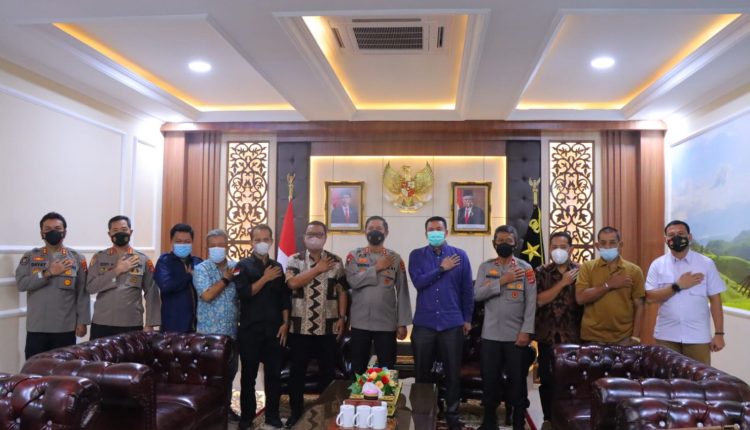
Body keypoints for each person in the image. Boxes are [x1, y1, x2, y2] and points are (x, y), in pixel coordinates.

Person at [408, 216, 474, 430]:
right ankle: (424, 411)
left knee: (453, 372)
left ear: (446, 232)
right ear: (426, 233)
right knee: (422, 372)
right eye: (431, 229)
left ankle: (452, 414)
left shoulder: (460, 256)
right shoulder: (417, 255)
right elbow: (418, 282)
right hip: (424, 323)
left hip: (452, 322)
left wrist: (467, 319)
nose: (435, 232)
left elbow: (467, 290)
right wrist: (441, 268)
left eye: (438, 229)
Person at [285, 221, 348, 428]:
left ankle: (326, 413)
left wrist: (342, 318)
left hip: (327, 327)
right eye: (310, 234)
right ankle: (296, 413)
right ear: (304, 237)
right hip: (299, 327)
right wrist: (318, 269)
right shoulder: (294, 259)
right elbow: (292, 283)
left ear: (325, 237)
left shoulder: (336, 261)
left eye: (319, 234)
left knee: (327, 373)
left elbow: (342, 291)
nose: (314, 237)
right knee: (297, 373)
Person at [475, 225, 536, 430]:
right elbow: (477, 295)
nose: (503, 244)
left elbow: (531, 303)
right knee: (490, 382)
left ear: (515, 243)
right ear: (494, 243)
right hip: (490, 336)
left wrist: (526, 331)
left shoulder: (525, 268)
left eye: (508, 241)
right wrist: (503, 280)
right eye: (500, 241)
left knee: (517, 383)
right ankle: (489, 422)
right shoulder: (485, 267)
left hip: (516, 336)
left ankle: (518, 423)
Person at [232, 224, 290, 430]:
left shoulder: (278, 267)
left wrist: (286, 323)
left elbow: (284, 298)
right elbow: (245, 293)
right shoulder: (242, 266)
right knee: (249, 376)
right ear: (252, 242)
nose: (262, 243)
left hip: (275, 330)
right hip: (250, 330)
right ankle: (247, 416)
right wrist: (265, 278)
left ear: (272, 241)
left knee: (274, 375)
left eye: (266, 239)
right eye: (257, 240)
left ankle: (272, 416)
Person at [644, 220, 726, 364]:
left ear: (689, 237)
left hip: (698, 337)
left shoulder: (706, 263)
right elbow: (650, 297)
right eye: (671, 235)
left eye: (681, 234)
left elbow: (715, 300)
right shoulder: (657, 265)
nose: (676, 238)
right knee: (666, 376)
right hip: (666, 335)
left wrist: (719, 334)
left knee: (699, 377)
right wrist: (678, 286)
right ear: (666, 239)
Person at [15, 212, 90, 359]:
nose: (52, 232)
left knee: (63, 369)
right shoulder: (30, 256)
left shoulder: (76, 258)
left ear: (64, 232)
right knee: (35, 368)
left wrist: (82, 322)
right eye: (48, 229)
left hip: (65, 328)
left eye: (57, 228)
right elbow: (21, 284)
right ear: (42, 233)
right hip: (37, 327)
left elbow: (82, 292)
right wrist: (47, 272)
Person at [345, 216, 413, 374]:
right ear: (365, 232)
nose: (374, 232)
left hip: (386, 323)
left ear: (386, 232)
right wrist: (377, 268)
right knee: (357, 369)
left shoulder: (395, 258)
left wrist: (402, 323)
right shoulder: (354, 256)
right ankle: (358, 392)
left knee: (387, 369)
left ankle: (385, 392)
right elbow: (352, 281)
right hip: (360, 322)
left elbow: (402, 292)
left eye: (379, 229)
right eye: (371, 228)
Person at [534, 231, 582, 430]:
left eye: (563, 247)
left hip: (574, 336)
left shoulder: (582, 271)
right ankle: (549, 419)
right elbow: (539, 300)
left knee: (571, 381)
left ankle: (569, 420)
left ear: (571, 249)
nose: (558, 251)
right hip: (547, 335)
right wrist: (563, 283)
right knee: (547, 380)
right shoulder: (541, 272)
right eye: (554, 247)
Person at [193, 228, 241, 422]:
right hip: (208, 334)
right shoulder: (201, 269)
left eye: (221, 245)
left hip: (232, 332)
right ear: (207, 247)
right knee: (209, 375)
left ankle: (225, 408)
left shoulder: (236, 267)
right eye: (213, 246)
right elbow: (207, 295)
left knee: (229, 374)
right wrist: (226, 279)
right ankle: (207, 412)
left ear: (227, 246)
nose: (217, 248)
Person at [87, 215, 160, 339]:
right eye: (115, 230)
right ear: (109, 234)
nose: (120, 233)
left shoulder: (143, 260)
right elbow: (91, 287)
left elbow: (152, 293)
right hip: (102, 322)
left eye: (124, 229)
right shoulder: (99, 258)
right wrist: (117, 271)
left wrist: (150, 324)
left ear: (130, 232)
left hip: (131, 323)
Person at [576, 226, 645, 345]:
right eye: (603, 243)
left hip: (623, 338)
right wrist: (609, 284)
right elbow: (580, 298)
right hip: (592, 337)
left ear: (620, 245)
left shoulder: (634, 270)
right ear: (597, 246)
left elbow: (639, 305)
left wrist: (636, 337)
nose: (607, 247)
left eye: (612, 243)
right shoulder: (587, 267)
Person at [154, 223, 202, 332]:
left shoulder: (197, 262)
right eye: (179, 241)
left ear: (192, 243)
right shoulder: (164, 261)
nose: (183, 245)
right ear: (171, 242)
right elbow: (166, 286)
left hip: (197, 325)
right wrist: (188, 276)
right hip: (172, 326)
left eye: (187, 242)